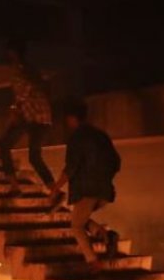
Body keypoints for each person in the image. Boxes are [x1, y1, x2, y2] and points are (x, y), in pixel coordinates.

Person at [48, 99, 121, 270]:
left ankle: (93, 261)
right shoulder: (101, 135)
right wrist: (105, 178)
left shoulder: (77, 138)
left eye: (67, 119)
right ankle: (105, 236)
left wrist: (56, 188)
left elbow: (71, 168)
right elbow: (116, 162)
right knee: (80, 218)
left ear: (72, 118)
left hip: (87, 190)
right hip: (104, 190)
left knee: (76, 226)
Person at [0, 39, 55, 195]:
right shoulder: (31, 69)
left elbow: (23, 92)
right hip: (40, 118)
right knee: (33, 156)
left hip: (32, 117)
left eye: (9, 54)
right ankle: (54, 190)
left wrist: (14, 109)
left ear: (13, 54)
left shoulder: (20, 69)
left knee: (5, 146)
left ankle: (15, 186)